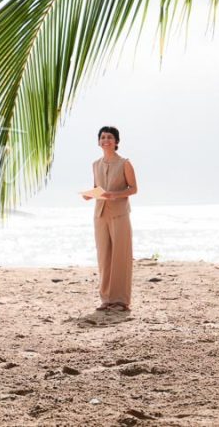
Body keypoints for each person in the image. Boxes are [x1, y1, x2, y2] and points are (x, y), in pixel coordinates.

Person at [83, 125, 138, 312]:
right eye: (103, 137)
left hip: (120, 214)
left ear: (116, 142)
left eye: (109, 137)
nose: (105, 140)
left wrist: (113, 194)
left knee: (120, 257)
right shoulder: (95, 164)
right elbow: (97, 188)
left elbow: (133, 189)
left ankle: (121, 301)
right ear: (99, 141)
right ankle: (106, 299)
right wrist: (89, 194)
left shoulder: (125, 163)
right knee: (104, 257)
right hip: (100, 215)